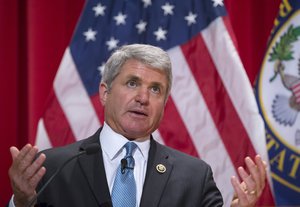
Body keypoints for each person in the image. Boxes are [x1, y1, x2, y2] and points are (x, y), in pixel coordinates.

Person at [8, 44, 267, 207]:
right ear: (105, 93)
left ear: (164, 104)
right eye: (132, 83)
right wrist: (22, 202)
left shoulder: (194, 177)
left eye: (155, 89)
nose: (143, 98)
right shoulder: (52, 168)